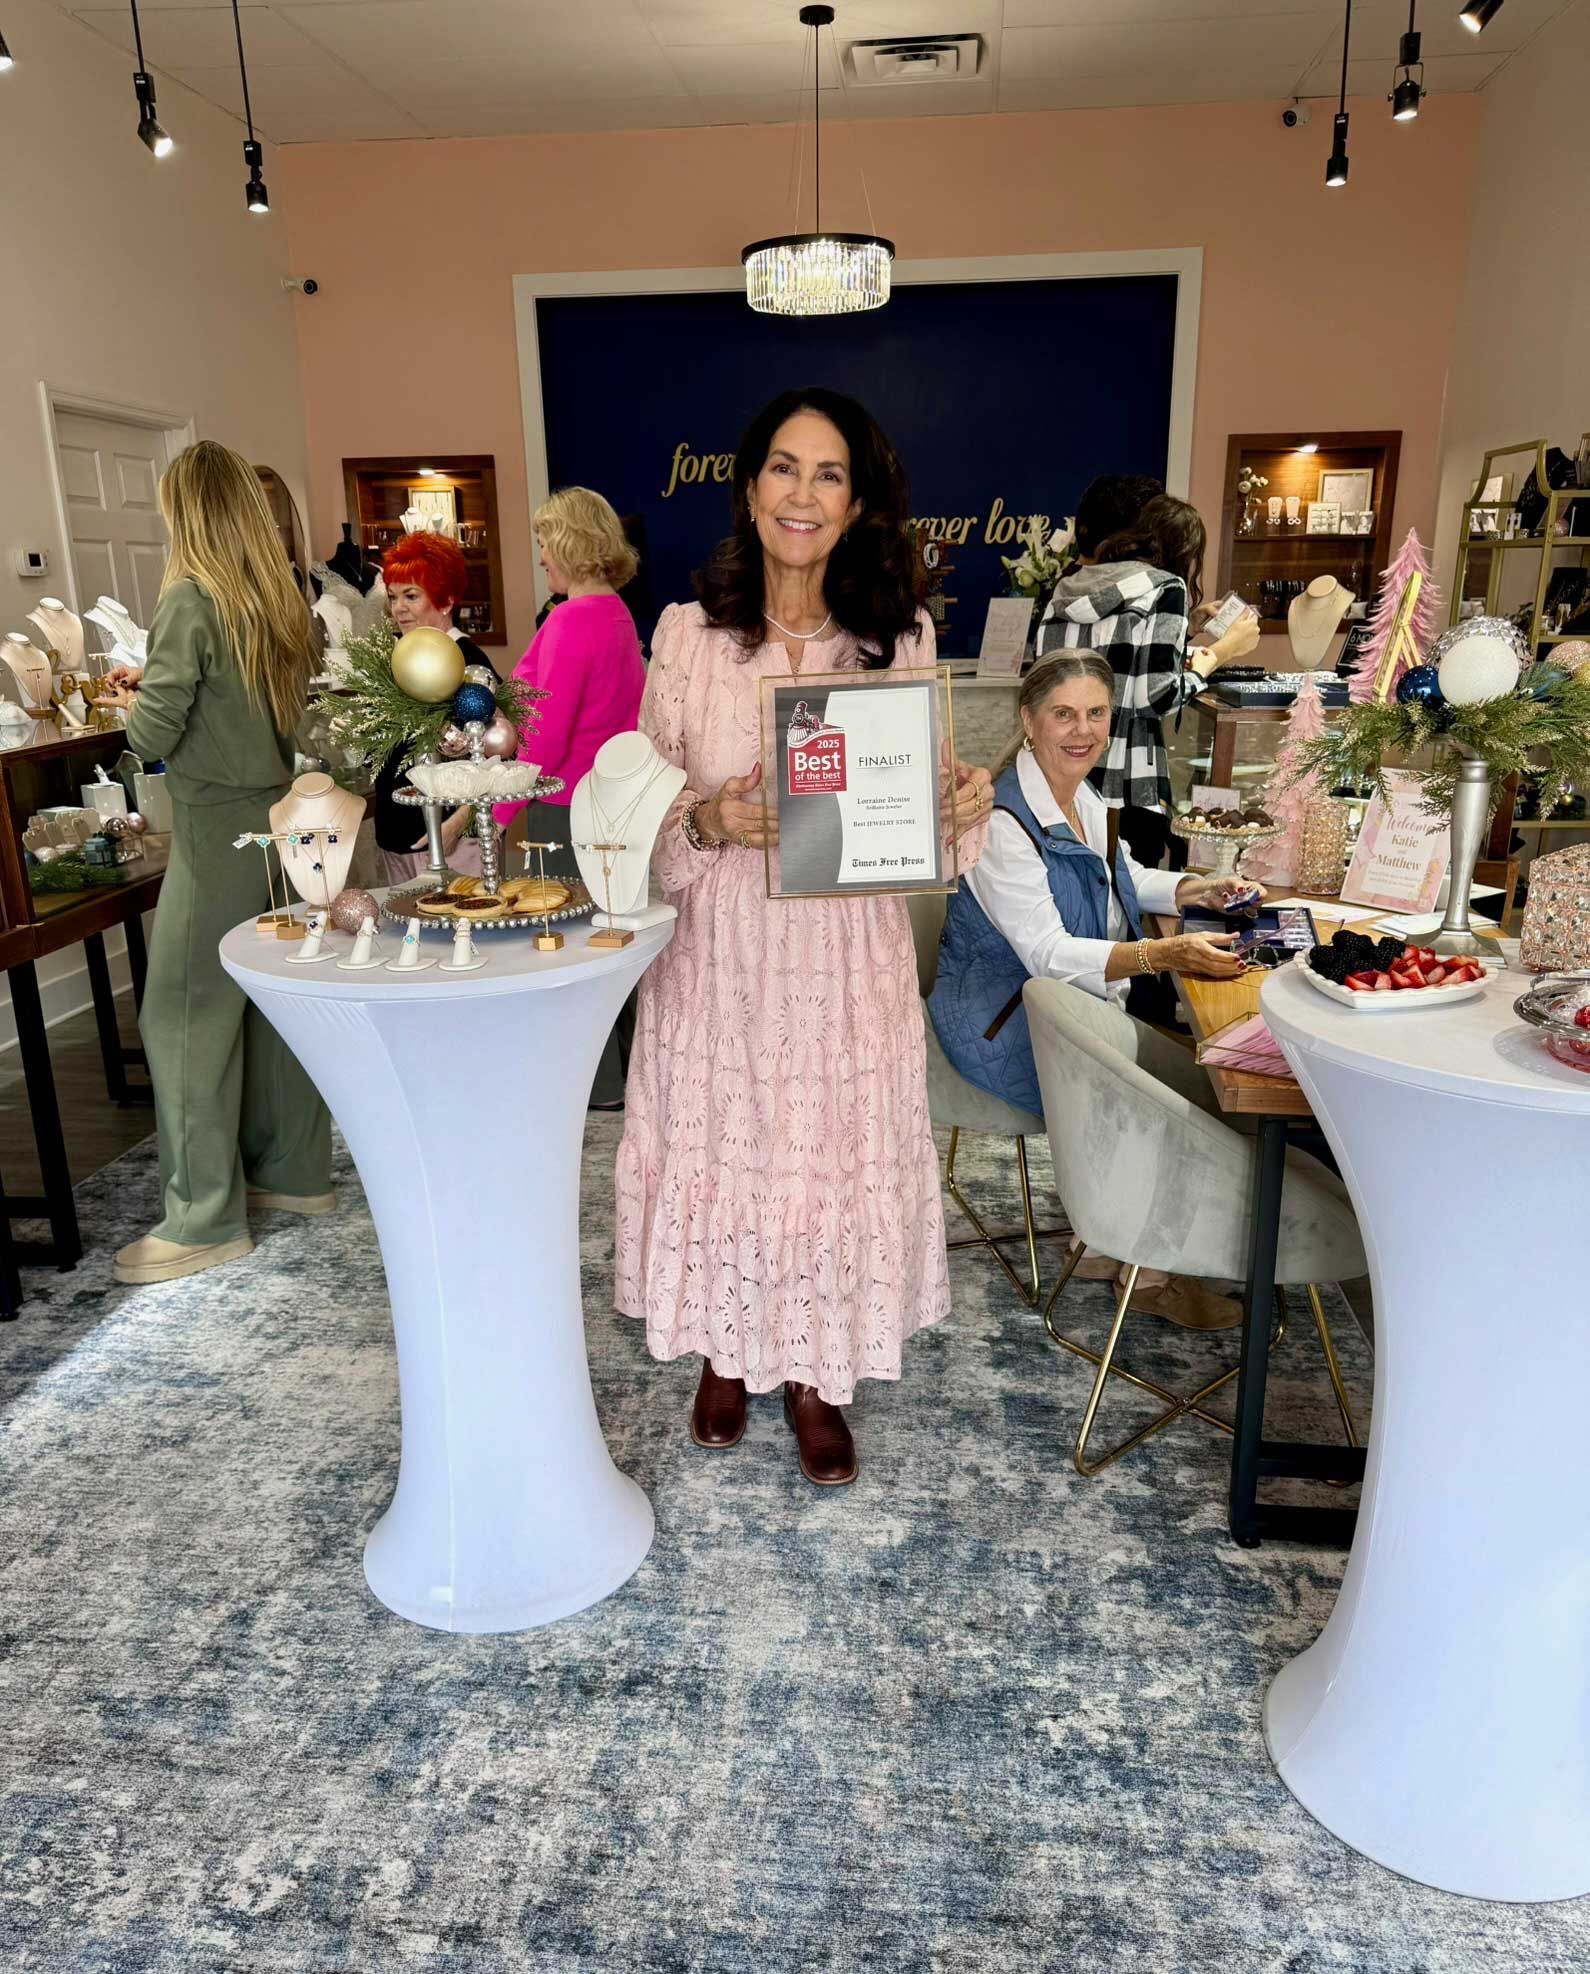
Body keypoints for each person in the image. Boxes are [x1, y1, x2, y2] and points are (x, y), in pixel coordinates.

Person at [614, 387, 992, 1487]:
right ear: (749, 485)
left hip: (845, 959)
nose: (804, 493)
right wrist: (711, 818)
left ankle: (822, 1376)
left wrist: (958, 810)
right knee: (728, 1153)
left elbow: (923, 826)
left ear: (857, 500)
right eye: (785, 466)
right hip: (721, 952)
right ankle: (729, 1358)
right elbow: (637, 810)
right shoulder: (687, 635)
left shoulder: (898, 636)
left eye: (829, 474)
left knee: (827, 1161)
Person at [928, 653, 1253, 1330]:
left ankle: (1108, 1238)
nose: (1083, 730)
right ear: (1029, 721)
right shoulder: (1001, 823)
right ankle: (1146, 1268)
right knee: (1159, 1091)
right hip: (997, 1021)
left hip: (1053, 1007)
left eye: (1096, 713)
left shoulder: (1083, 797)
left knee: (1167, 1070)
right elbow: (1047, 954)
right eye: (1063, 714)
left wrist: (1196, 890)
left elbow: (1124, 874)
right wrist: (1163, 952)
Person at [95, 441, 332, 1285]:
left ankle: (202, 1217)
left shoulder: (190, 600)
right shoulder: (278, 600)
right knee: (271, 1007)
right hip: (283, 821)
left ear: (186, 513)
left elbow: (155, 734)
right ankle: (292, 1174)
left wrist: (129, 703)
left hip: (213, 829)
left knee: (184, 1019)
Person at [494, 489, 646, 1105]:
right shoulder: (618, 616)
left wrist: (484, 814)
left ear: (570, 544)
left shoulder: (571, 619)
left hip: (560, 813)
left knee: (565, 952)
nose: (540, 560)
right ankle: (624, 1076)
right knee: (609, 946)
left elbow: (544, 744)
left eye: (544, 545)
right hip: (611, 807)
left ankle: (593, 1085)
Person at [1040, 492, 1260, 870]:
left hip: (1058, 775)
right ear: (1186, 550)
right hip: (1126, 786)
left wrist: (1186, 625)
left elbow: (1112, 657)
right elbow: (1156, 696)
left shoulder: (1072, 585)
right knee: (1127, 898)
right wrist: (1219, 655)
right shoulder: (1166, 588)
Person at [372, 531, 498, 887]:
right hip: (396, 836)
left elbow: (496, 755)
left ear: (444, 600)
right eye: (394, 597)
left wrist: (457, 821)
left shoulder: (468, 662)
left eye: (411, 596)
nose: (399, 608)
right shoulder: (392, 660)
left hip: (453, 839)